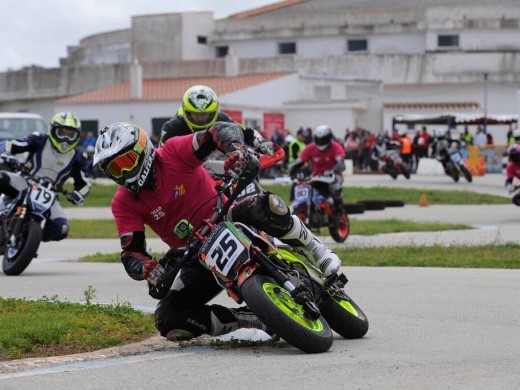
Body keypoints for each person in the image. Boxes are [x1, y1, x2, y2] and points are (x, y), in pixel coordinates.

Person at [92, 121, 341, 342]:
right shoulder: (122, 202)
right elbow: (131, 253)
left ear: (142, 150)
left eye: (126, 162)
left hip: (226, 214)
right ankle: (250, 319)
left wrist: (235, 150)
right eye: (114, 169)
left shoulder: (172, 151)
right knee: (167, 318)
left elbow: (217, 131)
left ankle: (317, 250)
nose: (124, 173)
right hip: (194, 253)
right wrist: (147, 267)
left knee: (263, 204)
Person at [0, 112, 91, 241]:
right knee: (1, 177)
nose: (65, 138)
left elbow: (85, 183)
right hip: (25, 181)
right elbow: (13, 144)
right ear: (53, 130)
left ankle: (26, 238)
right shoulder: (40, 139)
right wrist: (6, 153)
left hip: (50, 193)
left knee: (62, 228)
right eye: (61, 132)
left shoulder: (78, 157)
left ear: (77, 136)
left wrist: (78, 194)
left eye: (70, 134)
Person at [159, 85, 273, 156]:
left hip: (218, 166)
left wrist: (261, 142)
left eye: (205, 114)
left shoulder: (221, 119)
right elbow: (163, 154)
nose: (200, 118)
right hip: (185, 169)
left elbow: (245, 131)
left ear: (213, 111)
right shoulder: (172, 127)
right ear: (186, 111)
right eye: (195, 114)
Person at [288, 125, 346, 222]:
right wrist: (291, 171)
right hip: (316, 176)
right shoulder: (310, 148)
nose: (320, 142)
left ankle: (339, 212)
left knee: (335, 185)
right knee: (301, 184)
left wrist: (335, 169)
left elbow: (341, 162)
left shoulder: (336, 147)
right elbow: (299, 161)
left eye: (323, 139)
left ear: (329, 138)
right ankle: (303, 207)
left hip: (333, 175)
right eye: (318, 139)